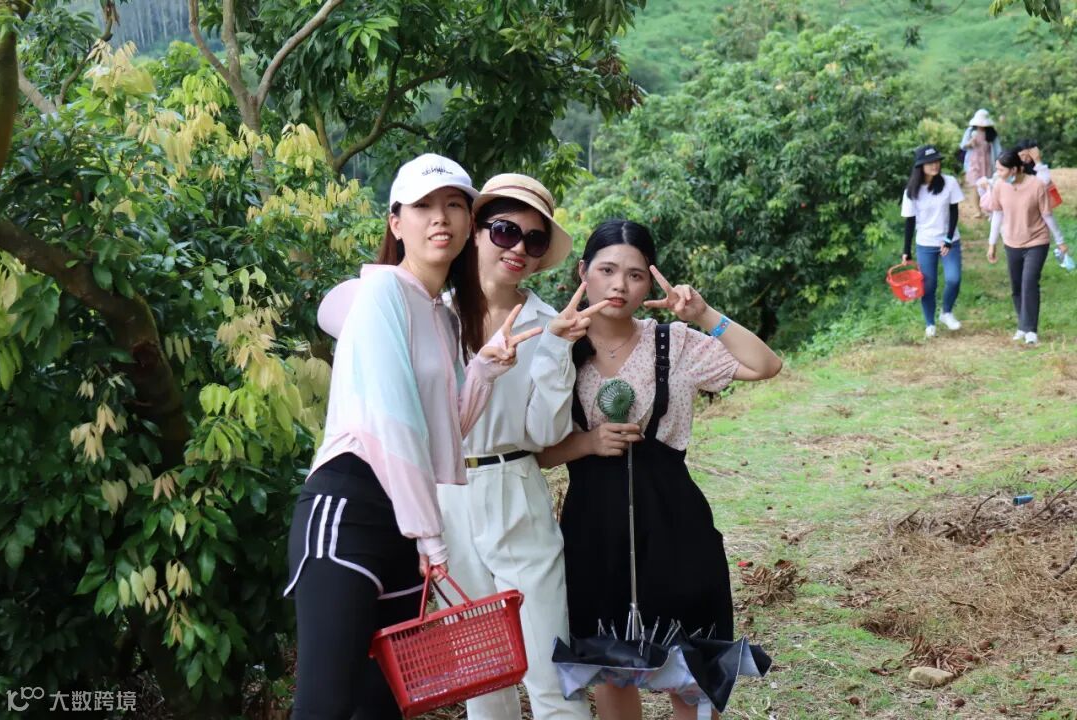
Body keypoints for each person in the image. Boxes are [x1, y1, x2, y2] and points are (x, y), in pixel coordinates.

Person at [284, 154, 540, 720]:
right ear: (396, 223)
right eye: (423, 206)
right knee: (325, 705)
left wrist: (482, 371)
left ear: (469, 225)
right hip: (347, 509)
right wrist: (432, 536)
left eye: (454, 205)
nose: (440, 217)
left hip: (400, 523)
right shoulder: (381, 294)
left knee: (381, 705)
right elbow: (394, 424)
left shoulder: (442, 316)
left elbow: (440, 432)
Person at [538, 220, 783, 720]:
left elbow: (765, 365)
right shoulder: (559, 346)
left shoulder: (674, 343)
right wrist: (587, 442)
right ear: (583, 272)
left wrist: (704, 314)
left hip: (676, 523)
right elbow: (533, 450)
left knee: (692, 666)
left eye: (634, 275)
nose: (619, 286)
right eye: (607, 271)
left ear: (650, 281)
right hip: (593, 529)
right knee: (608, 664)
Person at [436, 174, 608, 720]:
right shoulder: (433, 313)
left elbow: (541, 436)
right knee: (483, 677)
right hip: (447, 495)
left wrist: (556, 347)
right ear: (476, 232)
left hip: (515, 484)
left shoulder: (548, 323)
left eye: (534, 240)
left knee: (550, 672)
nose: (518, 249)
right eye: (506, 231)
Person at [982, 150, 1069, 345]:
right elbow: (997, 214)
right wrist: (991, 243)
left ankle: (1030, 330)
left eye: (1001, 170)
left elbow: (1047, 215)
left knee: (1029, 282)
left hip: (1037, 241)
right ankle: (1022, 326)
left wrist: (1060, 240)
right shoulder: (999, 186)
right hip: (1011, 241)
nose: (998, 173)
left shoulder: (1037, 185)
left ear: (1014, 169)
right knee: (1016, 286)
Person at [900, 145, 965, 338]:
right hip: (925, 243)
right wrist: (906, 251)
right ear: (920, 166)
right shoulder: (911, 191)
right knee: (928, 285)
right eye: (929, 163)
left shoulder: (949, 182)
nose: (934, 165)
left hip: (949, 240)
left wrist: (948, 238)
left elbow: (954, 211)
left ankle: (946, 312)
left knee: (954, 278)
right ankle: (930, 323)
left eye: (936, 161)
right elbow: (910, 222)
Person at [960, 108, 1002, 205]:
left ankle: (986, 206)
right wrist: (970, 143)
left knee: (986, 184)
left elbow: (997, 150)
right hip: (973, 162)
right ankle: (976, 209)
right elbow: (963, 146)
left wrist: (999, 162)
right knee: (974, 185)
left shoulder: (991, 133)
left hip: (987, 162)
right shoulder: (970, 131)